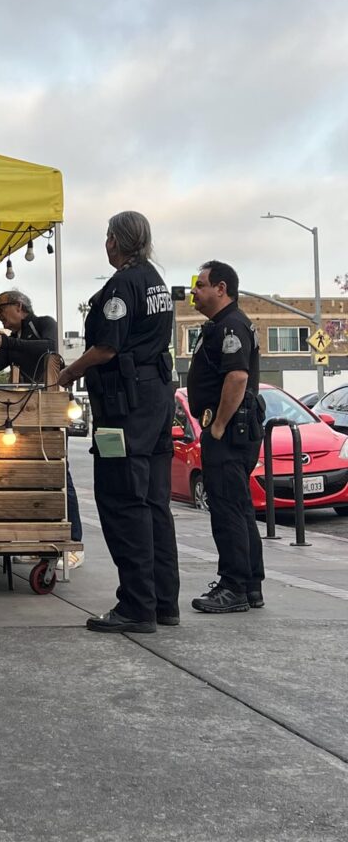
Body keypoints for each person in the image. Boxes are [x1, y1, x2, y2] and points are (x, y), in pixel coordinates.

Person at [57, 211, 179, 633]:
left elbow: (106, 348)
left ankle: (136, 606)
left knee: (123, 499)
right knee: (153, 502)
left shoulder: (122, 286)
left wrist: (67, 374)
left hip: (125, 406)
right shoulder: (156, 282)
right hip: (157, 399)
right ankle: (165, 602)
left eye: (107, 237)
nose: (105, 244)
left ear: (115, 241)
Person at [0, 289, 84, 564]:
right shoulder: (13, 340)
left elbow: (47, 348)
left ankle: (73, 543)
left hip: (51, 408)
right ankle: (40, 541)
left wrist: (7, 343)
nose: (0, 314)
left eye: (2, 308)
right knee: (33, 474)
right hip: (27, 412)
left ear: (19, 306)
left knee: (61, 474)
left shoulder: (44, 323)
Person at [187, 261, 265, 613]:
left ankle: (233, 586)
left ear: (221, 288)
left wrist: (217, 425)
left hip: (231, 431)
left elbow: (236, 377)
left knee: (227, 510)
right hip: (235, 430)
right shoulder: (222, 324)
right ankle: (249, 586)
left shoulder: (231, 324)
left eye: (200, 285)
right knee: (239, 508)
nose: (194, 291)